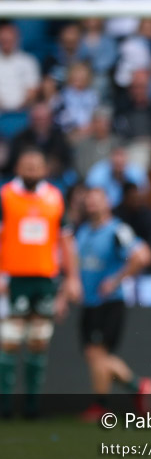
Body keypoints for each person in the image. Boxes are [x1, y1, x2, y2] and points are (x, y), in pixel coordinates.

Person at [0, 149, 82, 416]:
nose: (32, 170)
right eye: (27, 165)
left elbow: (66, 239)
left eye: (36, 166)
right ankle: (5, 405)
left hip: (45, 277)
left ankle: (32, 406)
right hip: (12, 277)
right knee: (9, 340)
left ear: (44, 170)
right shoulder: (5, 196)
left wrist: (72, 277)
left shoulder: (55, 198)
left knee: (38, 340)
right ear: (18, 169)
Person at [75, 187, 151, 420]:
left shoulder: (118, 230)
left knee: (97, 353)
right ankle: (138, 386)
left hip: (110, 302)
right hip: (89, 302)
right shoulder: (83, 231)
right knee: (94, 355)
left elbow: (142, 256)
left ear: (108, 203)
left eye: (97, 200)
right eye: (88, 201)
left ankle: (100, 405)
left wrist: (116, 280)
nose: (91, 205)